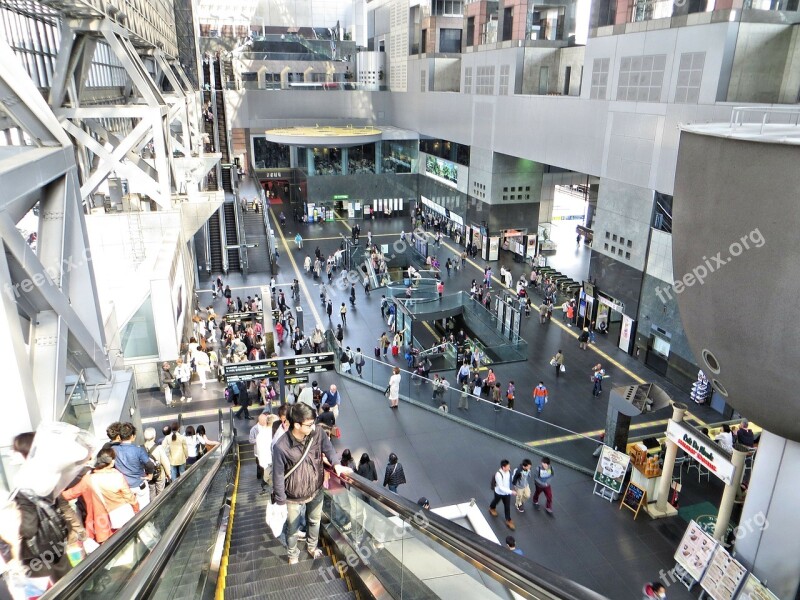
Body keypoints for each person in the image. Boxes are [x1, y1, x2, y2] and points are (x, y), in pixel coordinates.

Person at [272, 403, 349, 565]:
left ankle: (312, 547)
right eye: (309, 424)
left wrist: (336, 463)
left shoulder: (317, 433)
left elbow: (328, 448)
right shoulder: (281, 446)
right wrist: (280, 502)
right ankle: (292, 554)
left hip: (316, 489)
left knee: (314, 521)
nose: (313, 426)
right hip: (292, 496)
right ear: (297, 425)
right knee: (292, 529)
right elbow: (278, 475)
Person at [113, 423, 155, 509]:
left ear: (119, 437)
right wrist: (150, 476)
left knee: (130, 511)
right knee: (144, 509)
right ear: (133, 436)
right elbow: (149, 464)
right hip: (139, 484)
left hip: (125, 487)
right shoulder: (139, 450)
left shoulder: (113, 449)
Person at [489, 459, 517, 530]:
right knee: (496, 501)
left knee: (507, 506)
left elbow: (510, 479)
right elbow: (501, 487)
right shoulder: (498, 475)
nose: (509, 468)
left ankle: (508, 520)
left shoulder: (509, 471)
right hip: (499, 492)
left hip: (507, 493)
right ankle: (492, 508)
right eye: (508, 467)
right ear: (503, 467)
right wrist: (511, 491)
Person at [143, 427, 170, 499]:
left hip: (148, 474)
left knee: (151, 491)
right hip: (159, 474)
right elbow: (165, 462)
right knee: (160, 492)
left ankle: (152, 505)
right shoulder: (159, 448)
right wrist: (168, 474)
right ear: (154, 436)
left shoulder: (141, 448)